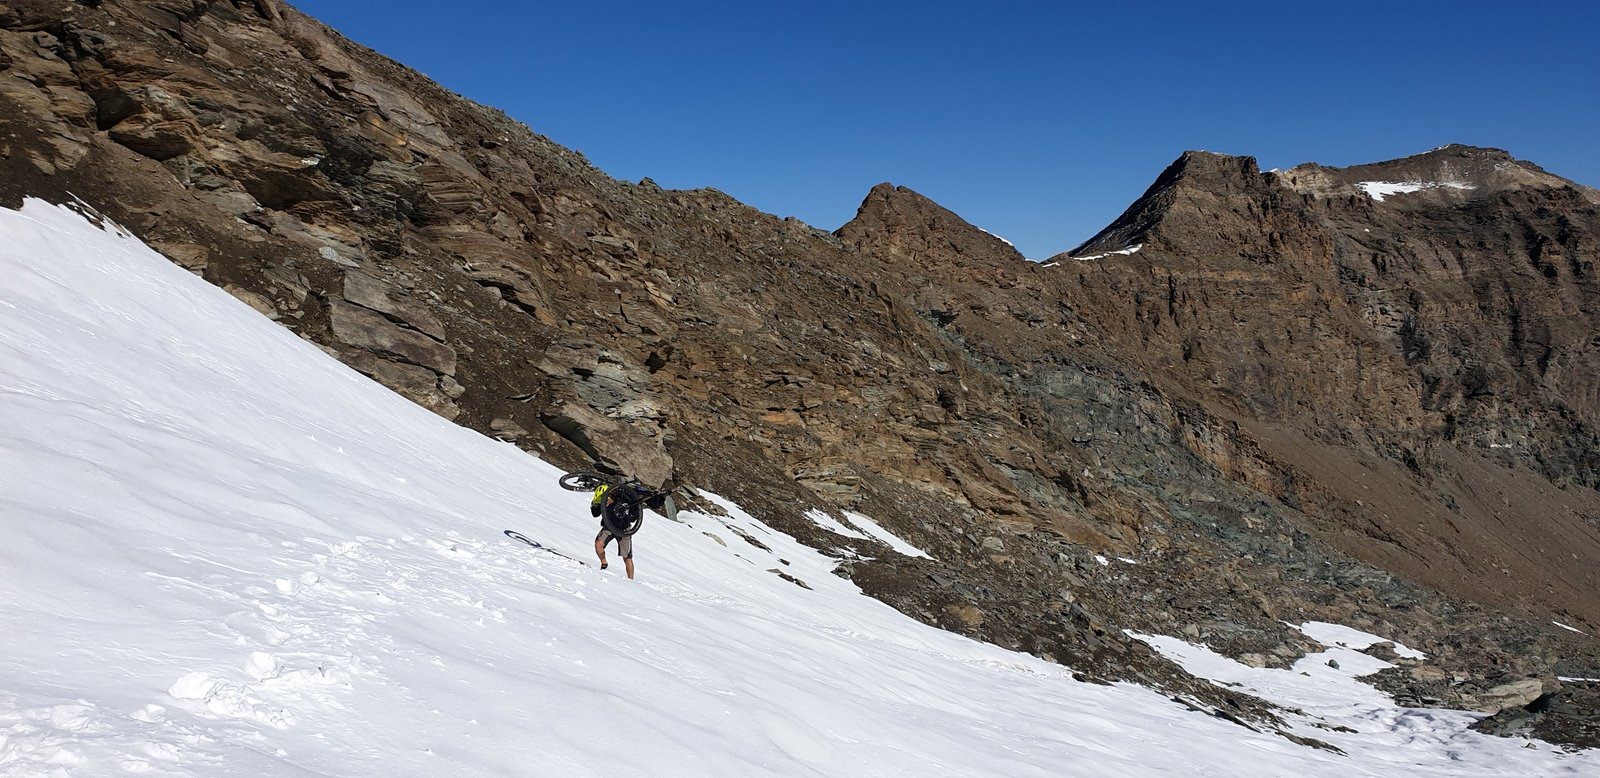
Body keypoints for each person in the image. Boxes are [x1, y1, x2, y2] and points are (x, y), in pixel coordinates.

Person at [591, 480, 666, 579]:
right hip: (609, 527)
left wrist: (632, 514)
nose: (606, 502)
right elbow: (595, 514)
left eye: (607, 499)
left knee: (627, 558)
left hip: (624, 530)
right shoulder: (603, 502)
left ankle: (630, 580)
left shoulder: (621, 498)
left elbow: (635, 512)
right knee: (598, 543)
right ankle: (604, 563)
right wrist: (594, 504)